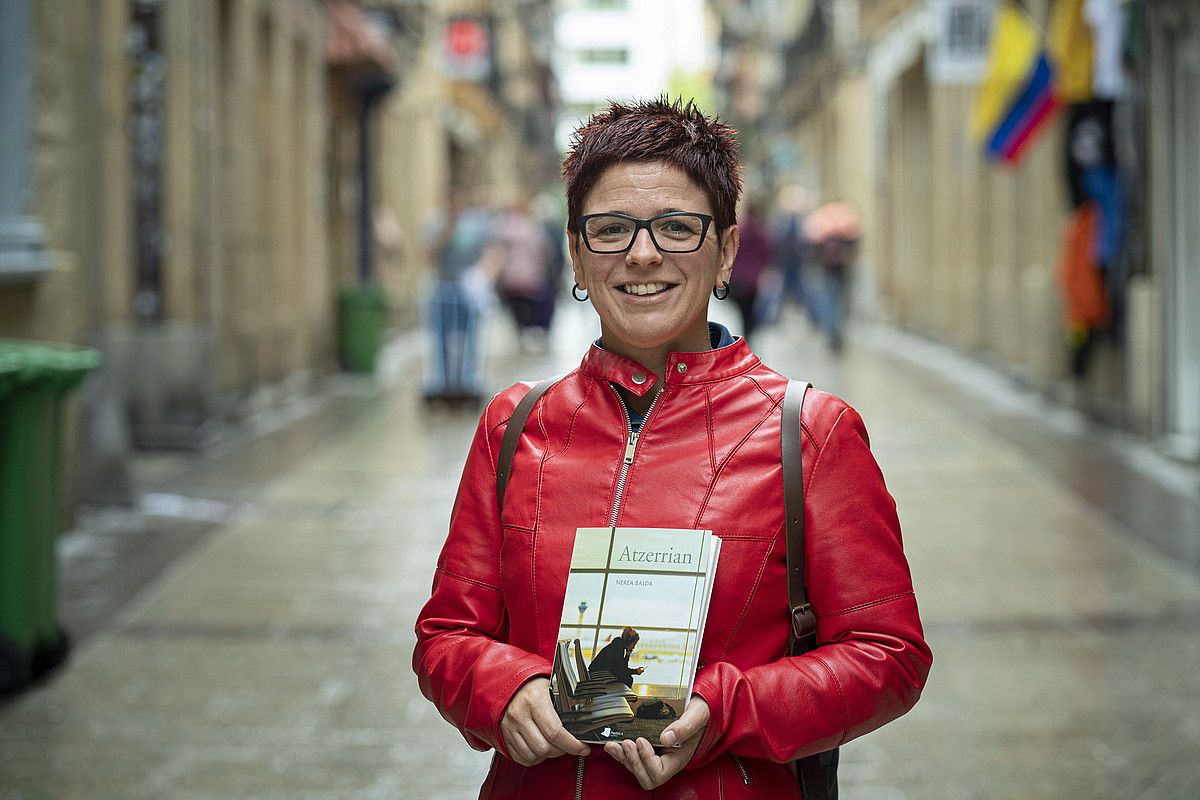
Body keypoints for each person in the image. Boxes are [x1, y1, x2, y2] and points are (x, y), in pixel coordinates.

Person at [413, 97, 931, 798]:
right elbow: (446, 635)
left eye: (677, 228)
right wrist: (507, 688)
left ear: (726, 251)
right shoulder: (514, 427)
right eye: (611, 229)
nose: (643, 253)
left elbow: (889, 656)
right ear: (575, 250)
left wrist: (726, 708)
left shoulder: (809, 433)